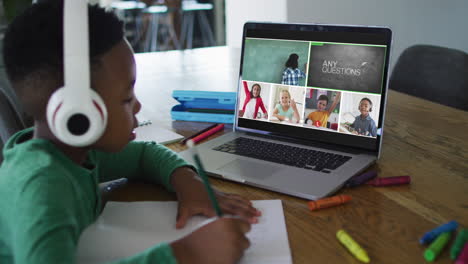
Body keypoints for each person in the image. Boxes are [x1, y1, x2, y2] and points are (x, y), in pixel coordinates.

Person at [0, 2, 260, 264]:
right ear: (78, 114)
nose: (137, 106)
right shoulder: (42, 189)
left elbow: (144, 155)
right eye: (126, 98)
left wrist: (188, 183)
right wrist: (186, 254)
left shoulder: (74, 153)